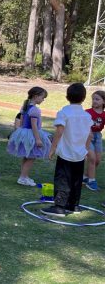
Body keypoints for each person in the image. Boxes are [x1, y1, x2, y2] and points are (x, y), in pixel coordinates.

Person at [42, 83, 93, 217]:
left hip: (66, 153)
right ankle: (73, 205)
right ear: (83, 98)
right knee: (76, 179)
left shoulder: (64, 112)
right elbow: (90, 134)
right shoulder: (86, 116)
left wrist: (52, 148)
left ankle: (59, 207)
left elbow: (59, 131)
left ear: (67, 96)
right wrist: (86, 150)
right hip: (80, 154)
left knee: (62, 179)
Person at [7, 87, 51, 187]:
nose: (43, 100)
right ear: (36, 96)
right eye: (42, 98)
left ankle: (24, 176)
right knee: (31, 157)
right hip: (31, 135)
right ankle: (22, 178)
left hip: (24, 133)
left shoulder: (25, 107)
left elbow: (22, 122)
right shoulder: (35, 110)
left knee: (26, 156)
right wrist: (38, 139)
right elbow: (34, 126)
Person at [84, 90, 105, 191]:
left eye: (97, 99)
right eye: (93, 99)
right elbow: (83, 125)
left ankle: (85, 177)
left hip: (98, 137)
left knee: (97, 160)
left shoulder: (104, 114)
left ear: (103, 102)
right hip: (88, 136)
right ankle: (91, 181)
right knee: (92, 158)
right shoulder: (87, 112)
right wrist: (88, 132)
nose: (94, 101)